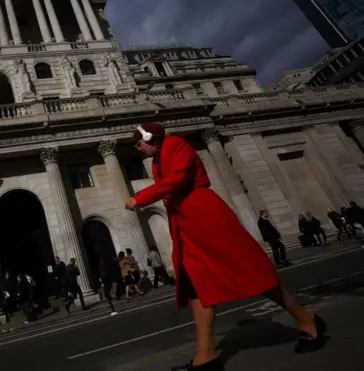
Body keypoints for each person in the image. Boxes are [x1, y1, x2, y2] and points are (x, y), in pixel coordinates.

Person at [125, 122, 326, 371]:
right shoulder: (156, 160)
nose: (138, 148)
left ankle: (306, 319)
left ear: (150, 137)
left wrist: (140, 197)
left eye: (139, 143)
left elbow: (177, 178)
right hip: (186, 223)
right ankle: (206, 357)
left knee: (252, 272)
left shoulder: (176, 145)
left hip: (206, 217)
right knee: (196, 286)